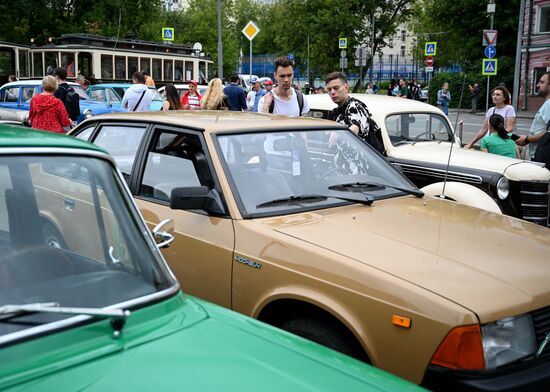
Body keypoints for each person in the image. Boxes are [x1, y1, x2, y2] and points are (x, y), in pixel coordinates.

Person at [517, 72, 550, 159]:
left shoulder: (549, 104)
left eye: (542, 82)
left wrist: (527, 139)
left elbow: (549, 134)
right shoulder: (547, 103)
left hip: (542, 155)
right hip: (540, 153)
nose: (537, 85)